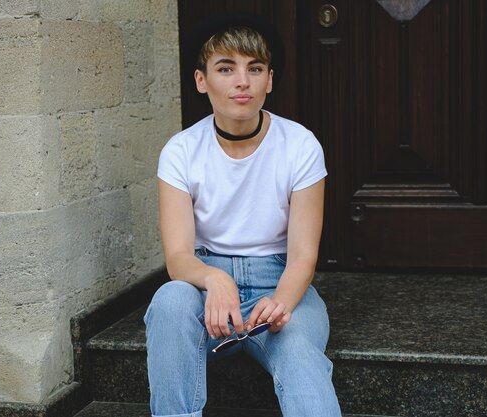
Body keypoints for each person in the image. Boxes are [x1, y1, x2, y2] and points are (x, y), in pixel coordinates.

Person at [144, 12, 342, 417]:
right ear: (202, 81)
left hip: (280, 279)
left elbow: (304, 256)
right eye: (225, 68)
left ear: (269, 80)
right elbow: (179, 257)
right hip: (205, 292)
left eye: (255, 69)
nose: (242, 81)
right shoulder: (180, 151)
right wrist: (214, 279)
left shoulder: (300, 145)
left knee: (298, 345)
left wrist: (282, 303)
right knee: (169, 301)